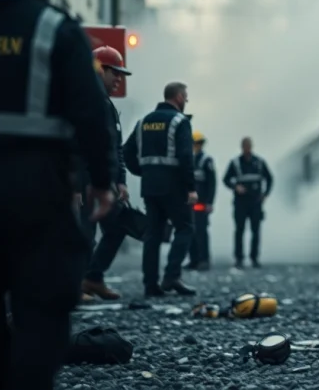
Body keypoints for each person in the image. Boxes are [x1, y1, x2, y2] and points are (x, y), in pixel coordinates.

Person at [0, 0, 116, 389]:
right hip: (35, 190)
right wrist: (103, 181)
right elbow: (90, 112)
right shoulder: (56, 28)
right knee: (41, 306)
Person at [123, 82, 198, 297]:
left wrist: (143, 171)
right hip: (174, 187)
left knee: (153, 234)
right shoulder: (179, 121)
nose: (186, 101)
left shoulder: (143, 122)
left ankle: (150, 285)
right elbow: (186, 156)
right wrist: (191, 188)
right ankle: (172, 276)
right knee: (185, 228)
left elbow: (127, 152)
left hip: (150, 187)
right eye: (186, 97)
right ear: (179, 97)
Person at [79, 46, 133, 301]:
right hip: (84, 182)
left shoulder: (107, 106)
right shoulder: (84, 99)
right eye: (116, 74)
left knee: (118, 226)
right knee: (84, 234)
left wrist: (120, 181)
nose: (119, 80)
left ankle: (93, 278)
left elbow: (116, 149)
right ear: (101, 69)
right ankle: (76, 286)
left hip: (104, 183)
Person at [223, 136, 273, 269]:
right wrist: (235, 187)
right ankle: (239, 258)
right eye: (245, 146)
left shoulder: (260, 162)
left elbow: (269, 178)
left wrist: (266, 194)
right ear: (242, 147)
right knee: (239, 230)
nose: (247, 148)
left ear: (251, 146)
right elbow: (226, 179)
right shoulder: (235, 163)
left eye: (248, 146)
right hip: (240, 203)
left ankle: (254, 258)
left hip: (256, 202)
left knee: (255, 231)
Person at [185, 130, 216, 271]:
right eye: (195, 143)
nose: (196, 146)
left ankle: (204, 260)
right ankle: (193, 260)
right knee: (190, 231)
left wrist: (210, 202)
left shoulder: (206, 161)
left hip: (201, 202)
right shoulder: (187, 160)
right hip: (189, 203)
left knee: (201, 231)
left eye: (198, 143)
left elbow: (212, 183)